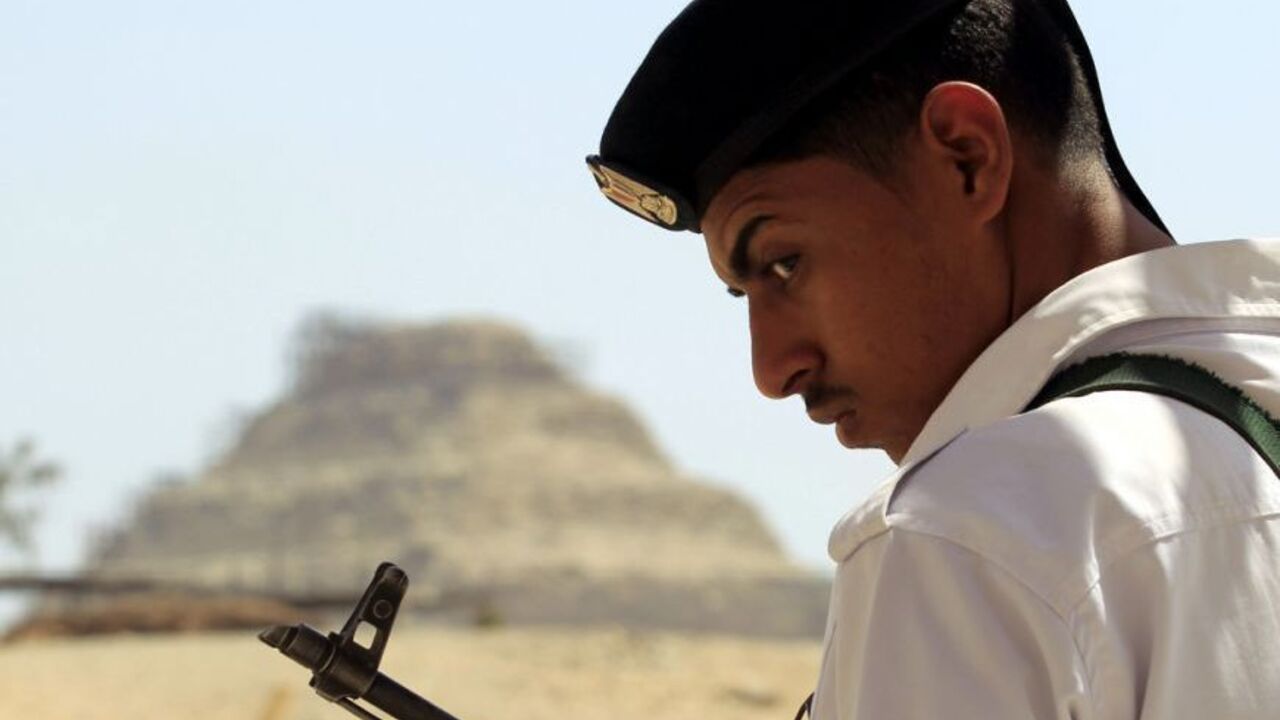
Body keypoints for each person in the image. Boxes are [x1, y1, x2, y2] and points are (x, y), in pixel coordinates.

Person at [586, 0, 1280, 718]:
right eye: (742, 296)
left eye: (784, 264)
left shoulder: (977, 531)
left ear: (966, 158)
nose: (772, 370)